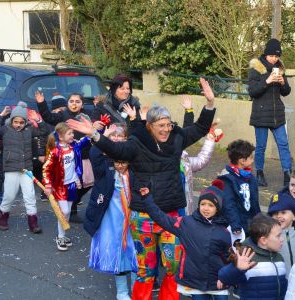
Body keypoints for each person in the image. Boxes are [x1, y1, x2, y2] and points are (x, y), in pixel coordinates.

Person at [67, 77, 216, 299]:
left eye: (168, 124)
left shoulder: (177, 137)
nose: (166, 130)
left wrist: (210, 102)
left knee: (173, 267)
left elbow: (201, 127)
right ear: (150, 126)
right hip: (143, 216)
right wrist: (94, 135)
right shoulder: (137, 142)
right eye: (160, 126)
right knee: (145, 270)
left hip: (171, 215)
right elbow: (115, 150)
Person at [85, 124, 137, 300]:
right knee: (118, 251)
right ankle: (122, 291)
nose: (115, 138)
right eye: (112, 135)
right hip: (112, 216)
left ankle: (138, 289)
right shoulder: (103, 159)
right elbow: (93, 155)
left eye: (119, 135)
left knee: (137, 251)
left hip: (134, 215)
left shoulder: (134, 159)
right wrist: (102, 137)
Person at [36, 91, 97, 223]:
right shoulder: (63, 114)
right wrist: (41, 103)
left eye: (77, 102)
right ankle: (71, 208)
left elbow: (97, 124)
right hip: (68, 156)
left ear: (82, 104)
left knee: (87, 183)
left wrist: (98, 107)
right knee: (72, 182)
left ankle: (74, 202)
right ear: (67, 103)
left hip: (85, 155)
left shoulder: (87, 115)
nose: (74, 104)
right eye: (71, 101)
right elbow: (48, 117)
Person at [0, 102, 48, 234]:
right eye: (16, 122)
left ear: (25, 122)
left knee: (30, 196)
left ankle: (33, 222)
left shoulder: (29, 130)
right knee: (9, 196)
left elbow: (44, 131)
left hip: (26, 169)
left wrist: (38, 120)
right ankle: (3, 218)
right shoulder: (5, 129)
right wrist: (2, 115)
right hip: (11, 168)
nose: (18, 125)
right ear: (11, 121)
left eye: (22, 122)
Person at [248, 38, 292, 187]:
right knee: (261, 146)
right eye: (272, 56)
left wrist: (282, 83)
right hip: (261, 114)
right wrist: (267, 81)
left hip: (277, 115)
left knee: (283, 144)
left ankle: (287, 173)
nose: (274, 59)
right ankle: (259, 173)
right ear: (266, 54)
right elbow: (253, 92)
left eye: (277, 56)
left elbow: (286, 92)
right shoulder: (256, 69)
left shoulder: (280, 68)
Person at [42, 122, 91, 250]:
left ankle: (63, 234)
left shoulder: (74, 146)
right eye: (70, 133)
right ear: (61, 137)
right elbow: (46, 169)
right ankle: (60, 236)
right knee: (64, 211)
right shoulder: (55, 152)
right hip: (60, 186)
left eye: (72, 133)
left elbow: (85, 140)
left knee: (67, 212)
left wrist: (95, 131)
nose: (72, 135)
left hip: (72, 184)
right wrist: (47, 185)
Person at [218, 214, 287, 300]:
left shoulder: (279, 258)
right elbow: (224, 278)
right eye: (278, 236)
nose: (282, 239)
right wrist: (238, 268)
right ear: (264, 240)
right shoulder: (247, 258)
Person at [179, 95, 220, 215]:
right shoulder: (155, 158)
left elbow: (201, 160)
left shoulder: (184, 161)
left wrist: (210, 139)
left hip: (183, 214)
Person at [218, 139, 260, 240]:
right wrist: (235, 225)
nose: (253, 160)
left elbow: (254, 202)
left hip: (250, 224)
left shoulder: (250, 177)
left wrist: (259, 220)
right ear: (242, 160)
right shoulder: (227, 179)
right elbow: (229, 204)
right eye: (251, 158)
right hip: (237, 228)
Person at [267, 192, 295, 276]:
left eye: (283, 212)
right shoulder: (268, 237)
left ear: (294, 216)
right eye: (275, 213)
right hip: (279, 283)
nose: (279, 216)